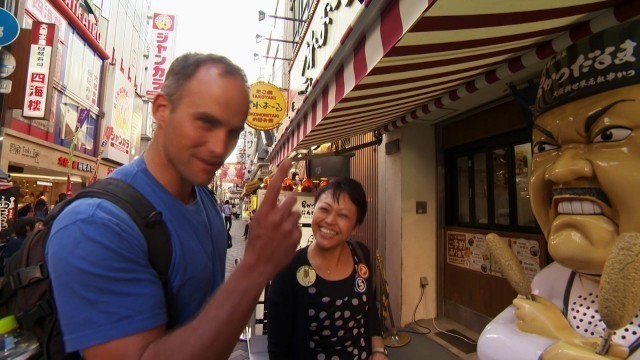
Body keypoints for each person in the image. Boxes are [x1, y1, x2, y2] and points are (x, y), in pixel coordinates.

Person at [45, 53, 302, 359]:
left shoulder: (203, 198)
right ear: (162, 110)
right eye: (205, 123)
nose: (220, 147)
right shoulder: (95, 225)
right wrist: (256, 267)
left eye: (233, 132)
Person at [477, 20, 640, 359]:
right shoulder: (555, 279)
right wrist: (565, 343)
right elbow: (492, 341)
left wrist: (559, 342)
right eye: (545, 146)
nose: (560, 170)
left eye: (609, 135)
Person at [267, 178, 386, 359]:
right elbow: (278, 348)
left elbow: (370, 309)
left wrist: (378, 351)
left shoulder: (361, 255)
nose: (330, 220)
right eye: (324, 209)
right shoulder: (288, 269)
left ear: (355, 226)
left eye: (343, 215)